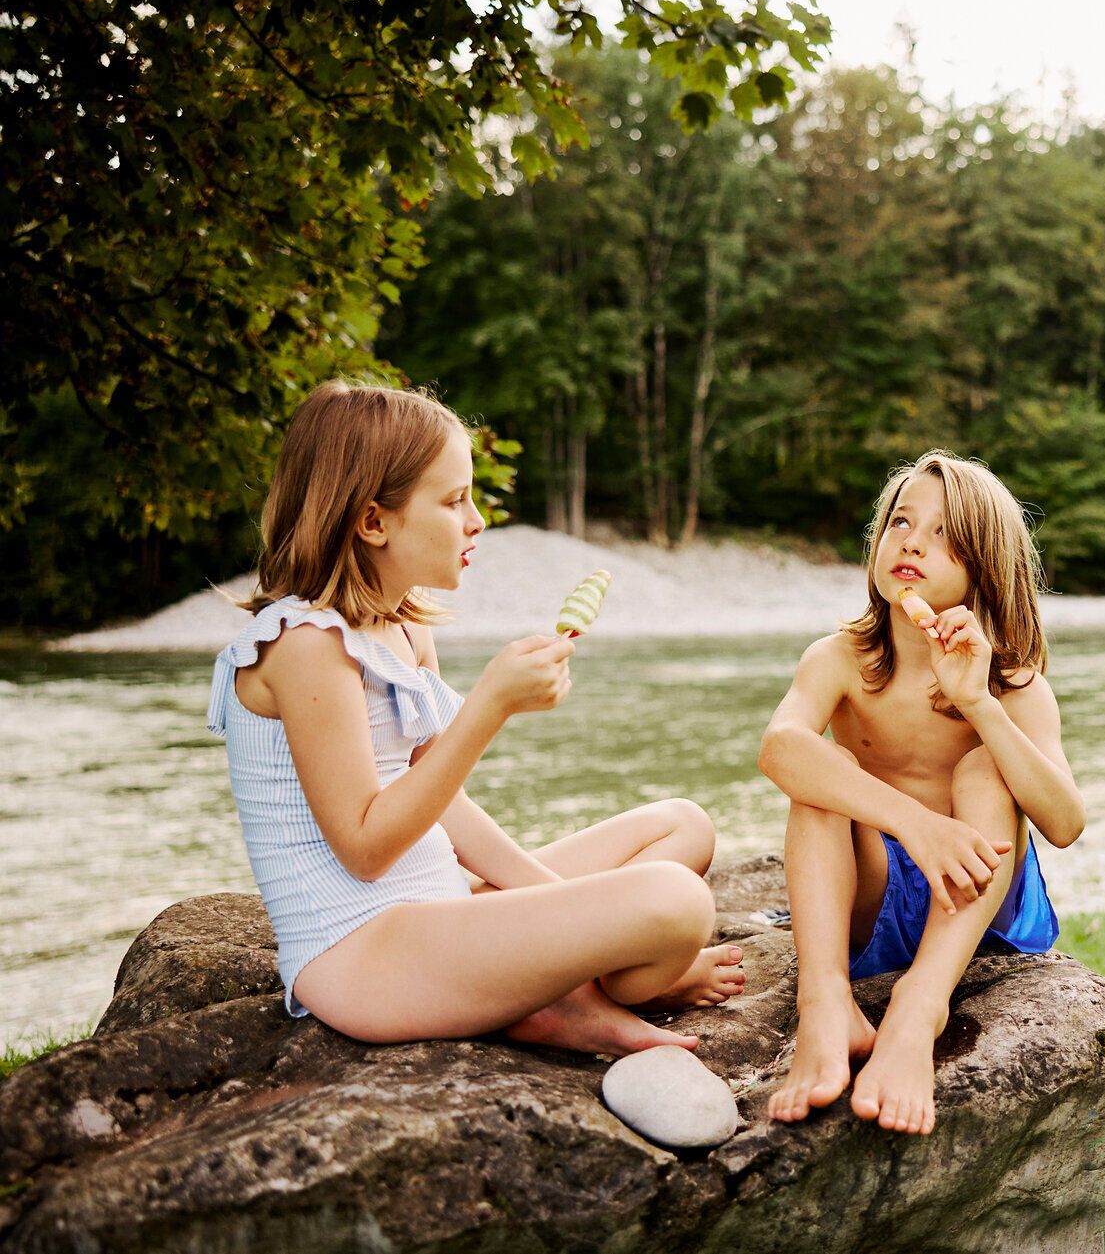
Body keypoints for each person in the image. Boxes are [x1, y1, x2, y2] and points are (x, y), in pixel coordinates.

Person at [207, 379, 744, 1056]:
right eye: (455, 500)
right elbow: (366, 848)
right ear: (374, 521)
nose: (477, 521)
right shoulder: (306, 645)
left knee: (684, 825)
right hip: (364, 955)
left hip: (443, 913)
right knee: (679, 902)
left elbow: (444, 810)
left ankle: (554, 989)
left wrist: (566, 913)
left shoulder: (400, 628)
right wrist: (488, 708)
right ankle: (569, 998)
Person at [761, 451, 1086, 1134]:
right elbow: (779, 748)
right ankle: (825, 1002)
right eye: (901, 522)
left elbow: (1063, 821)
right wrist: (915, 824)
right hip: (875, 893)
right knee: (822, 763)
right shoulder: (840, 657)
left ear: (985, 567)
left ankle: (919, 1006)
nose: (912, 541)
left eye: (943, 534)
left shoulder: (1011, 682)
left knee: (983, 768)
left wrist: (980, 705)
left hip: (976, 899)